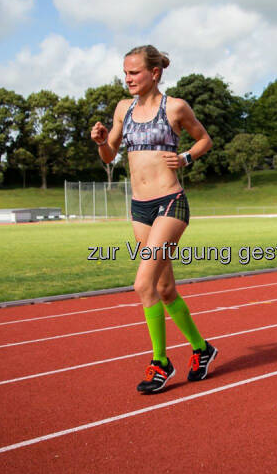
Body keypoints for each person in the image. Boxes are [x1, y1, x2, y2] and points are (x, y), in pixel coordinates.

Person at [91, 45, 217, 394]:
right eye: (125, 73)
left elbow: (204, 138)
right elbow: (110, 155)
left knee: (143, 284)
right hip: (139, 208)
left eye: (134, 72)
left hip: (170, 202)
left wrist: (188, 158)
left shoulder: (174, 107)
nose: (127, 78)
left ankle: (160, 362)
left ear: (154, 73)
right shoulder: (123, 109)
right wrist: (101, 141)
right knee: (164, 288)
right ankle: (202, 349)